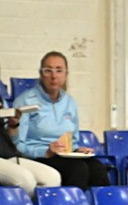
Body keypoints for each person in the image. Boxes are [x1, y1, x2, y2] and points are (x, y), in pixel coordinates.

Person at [14, 52, 110, 190]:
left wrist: (78, 150)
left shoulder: (70, 102)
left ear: (66, 75)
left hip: (64, 156)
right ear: (41, 74)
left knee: (97, 168)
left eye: (59, 70)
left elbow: (73, 140)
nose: (54, 76)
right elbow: (17, 147)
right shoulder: (25, 101)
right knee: (78, 169)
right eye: (48, 70)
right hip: (38, 156)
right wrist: (45, 151)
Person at [1, 106, 62, 196]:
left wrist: (13, 125)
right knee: (26, 180)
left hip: (8, 156)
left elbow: (13, 140)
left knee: (52, 177)